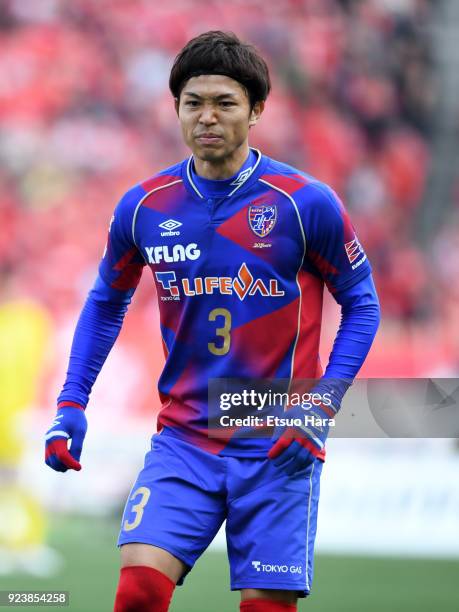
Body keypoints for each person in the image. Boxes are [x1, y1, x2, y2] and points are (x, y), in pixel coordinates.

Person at [45, 31, 380, 612]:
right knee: (137, 594)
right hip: (184, 440)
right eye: (193, 102)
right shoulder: (145, 206)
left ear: (256, 111)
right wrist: (71, 404)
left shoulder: (306, 202)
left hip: (279, 444)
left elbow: (363, 303)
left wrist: (320, 406)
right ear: (175, 108)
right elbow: (105, 302)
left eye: (224, 103)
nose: (207, 116)